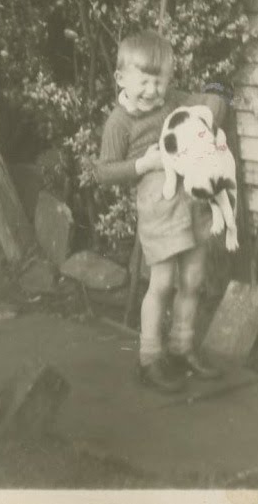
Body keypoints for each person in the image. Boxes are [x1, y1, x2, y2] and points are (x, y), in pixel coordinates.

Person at [93, 29, 227, 393]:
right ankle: (150, 357)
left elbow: (211, 102)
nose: (152, 90)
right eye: (144, 81)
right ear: (121, 78)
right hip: (158, 207)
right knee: (163, 283)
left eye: (160, 81)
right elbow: (103, 172)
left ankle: (182, 347)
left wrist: (212, 109)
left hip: (193, 199)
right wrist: (144, 163)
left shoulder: (172, 102)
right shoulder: (119, 122)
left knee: (193, 280)